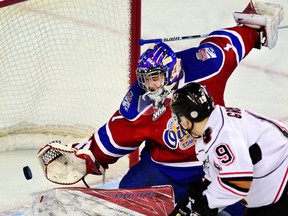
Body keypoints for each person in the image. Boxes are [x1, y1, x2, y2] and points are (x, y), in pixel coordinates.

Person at [37, 1, 283, 215]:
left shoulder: (208, 66)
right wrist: (87, 157)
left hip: (213, 163)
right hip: (166, 169)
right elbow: (114, 135)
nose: (149, 85)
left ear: (171, 71)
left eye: (155, 78)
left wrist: (254, 28)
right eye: (145, 79)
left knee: (254, 205)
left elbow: (230, 43)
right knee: (128, 199)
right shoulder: (139, 103)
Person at [169, 82, 288, 216]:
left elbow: (239, 182)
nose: (178, 123)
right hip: (274, 190)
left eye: (178, 118)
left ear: (186, 120)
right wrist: (194, 202)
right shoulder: (216, 124)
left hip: (281, 192)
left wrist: (206, 201)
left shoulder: (223, 135)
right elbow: (225, 175)